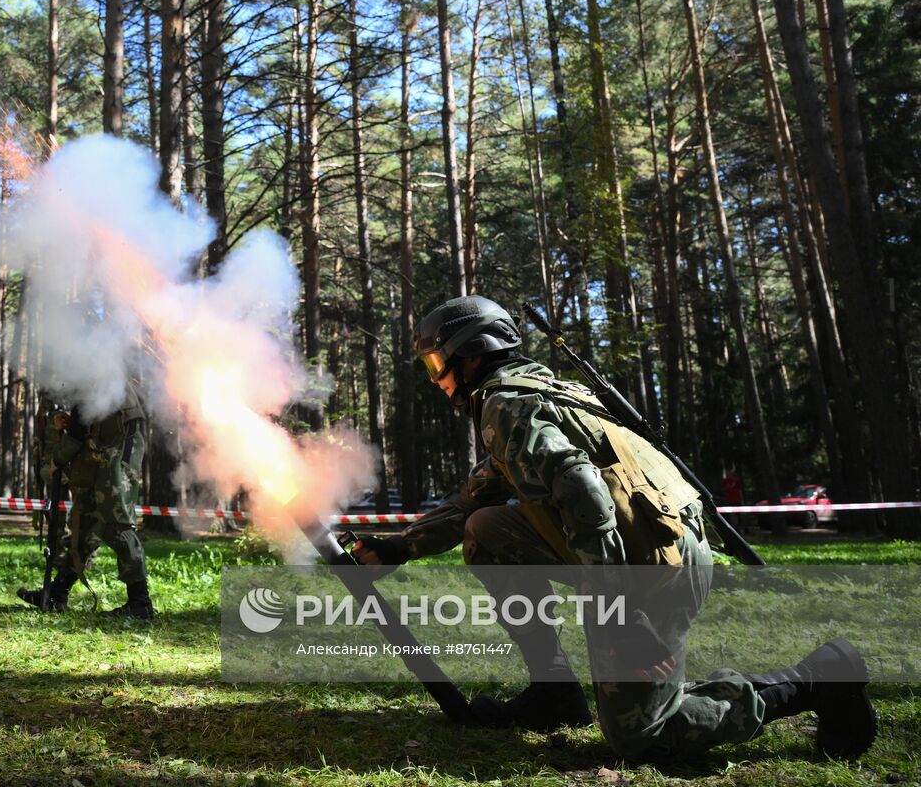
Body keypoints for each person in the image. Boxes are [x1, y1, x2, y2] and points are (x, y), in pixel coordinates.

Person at [352, 295, 876, 759]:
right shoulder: (539, 392)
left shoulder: (505, 405)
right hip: (643, 546)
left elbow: (581, 488)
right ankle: (554, 689)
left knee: (645, 736)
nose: (437, 377)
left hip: (651, 566)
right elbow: (477, 495)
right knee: (488, 529)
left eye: (438, 362)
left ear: (471, 354)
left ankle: (815, 680)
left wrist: (618, 611)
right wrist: (401, 546)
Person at [17, 381, 153, 619]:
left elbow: (81, 427)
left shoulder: (95, 363)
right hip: (101, 453)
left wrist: (58, 458)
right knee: (85, 523)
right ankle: (57, 593)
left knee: (117, 523)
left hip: (117, 454)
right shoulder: (92, 361)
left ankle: (140, 602)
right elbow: (85, 421)